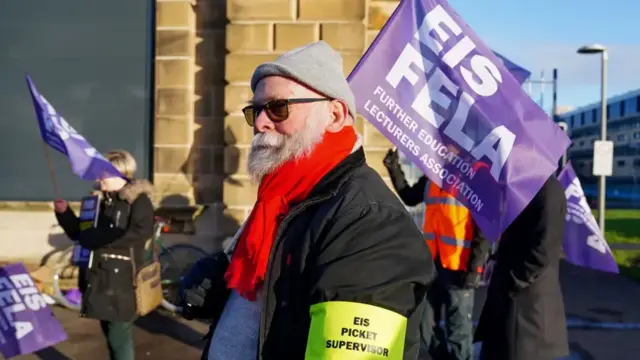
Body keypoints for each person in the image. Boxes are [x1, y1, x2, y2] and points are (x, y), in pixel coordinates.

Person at [180, 40, 436, 360]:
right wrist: (220, 279)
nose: (260, 123)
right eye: (255, 110)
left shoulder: (368, 220)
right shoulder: (281, 197)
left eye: (277, 108)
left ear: (334, 114)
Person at [383, 148, 490, 360]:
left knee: (459, 333)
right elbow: (410, 196)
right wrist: (393, 167)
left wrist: (475, 267)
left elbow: (484, 226)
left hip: (460, 268)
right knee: (425, 327)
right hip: (432, 266)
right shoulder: (435, 173)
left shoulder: (477, 175)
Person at [54, 150, 154, 360]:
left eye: (103, 174)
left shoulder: (138, 200)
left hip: (123, 282)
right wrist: (65, 215)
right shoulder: (98, 202)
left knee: (119, 338)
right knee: (111, 337)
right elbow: (81, 234)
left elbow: (140, 232)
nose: (99, 178)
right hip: (98, 280)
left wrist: (104, 245)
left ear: (120, 173)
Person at [474, 176, 569, 360]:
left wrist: (509, 281)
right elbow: (514, 236)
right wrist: (495, 260)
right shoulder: (526, 188)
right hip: (510, 307)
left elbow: (541, 253)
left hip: (526, 315)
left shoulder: (548, 191)